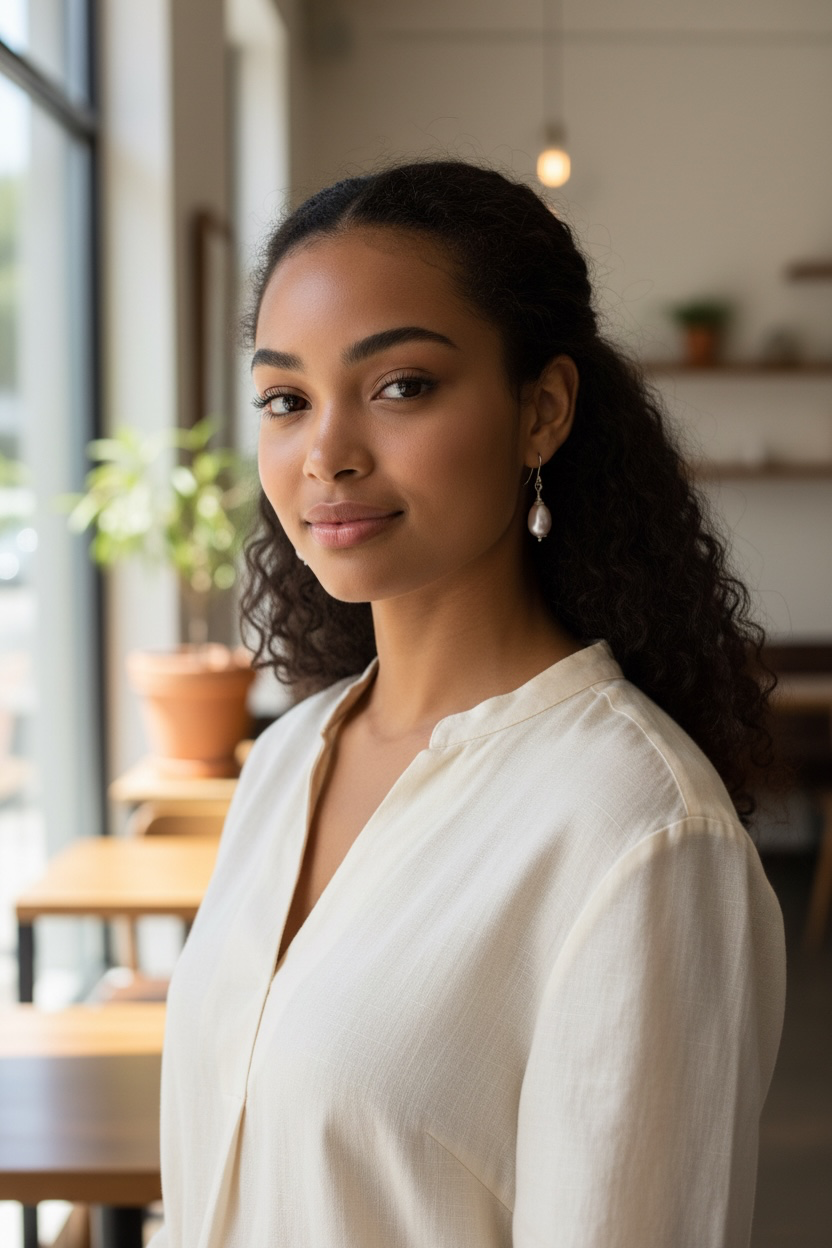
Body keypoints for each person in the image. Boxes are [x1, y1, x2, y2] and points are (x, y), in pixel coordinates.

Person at [147, 160, 787, 1248]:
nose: (326, 455)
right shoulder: (289, 755)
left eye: (400, 386)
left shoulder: (640, 834)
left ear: (541, 411)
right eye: (286, 400)